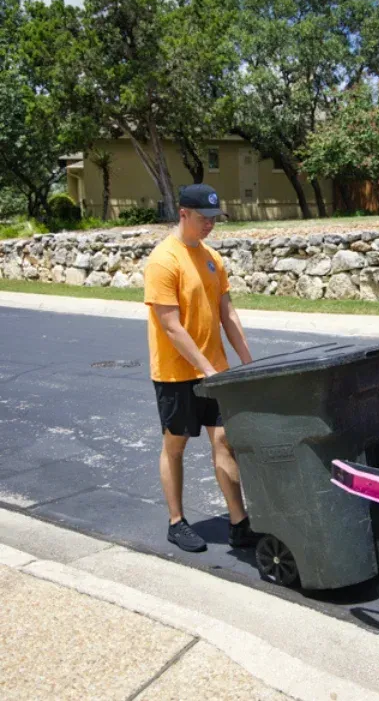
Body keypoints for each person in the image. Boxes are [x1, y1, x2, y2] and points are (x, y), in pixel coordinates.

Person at [143, 183, 260, 552]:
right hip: (177, 373)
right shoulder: (165, 260)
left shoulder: (212, 258)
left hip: (215, 369)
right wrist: (206, 368)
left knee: (224, 440)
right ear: (183, 214)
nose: (211, 224)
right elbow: (170, 325)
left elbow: (227, 312)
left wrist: (247, 363)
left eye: (215, 218)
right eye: (204, 218)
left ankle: (239, 522)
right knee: (175, 446)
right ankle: (176, 521)